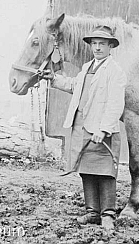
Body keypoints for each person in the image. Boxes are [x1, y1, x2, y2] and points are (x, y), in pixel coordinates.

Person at [48, 25, 126, 230]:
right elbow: (75, 86)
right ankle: (92, 212)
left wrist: (104, 129)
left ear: (110, 46)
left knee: (105, 170)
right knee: (86, 169)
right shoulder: (86, 68)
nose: (98, 47)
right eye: (95, 44)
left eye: (102, 44)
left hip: (100, 130)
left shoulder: (115, 72)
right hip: (81, 126)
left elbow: (115, 104)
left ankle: (108, 214)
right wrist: (54, 79)